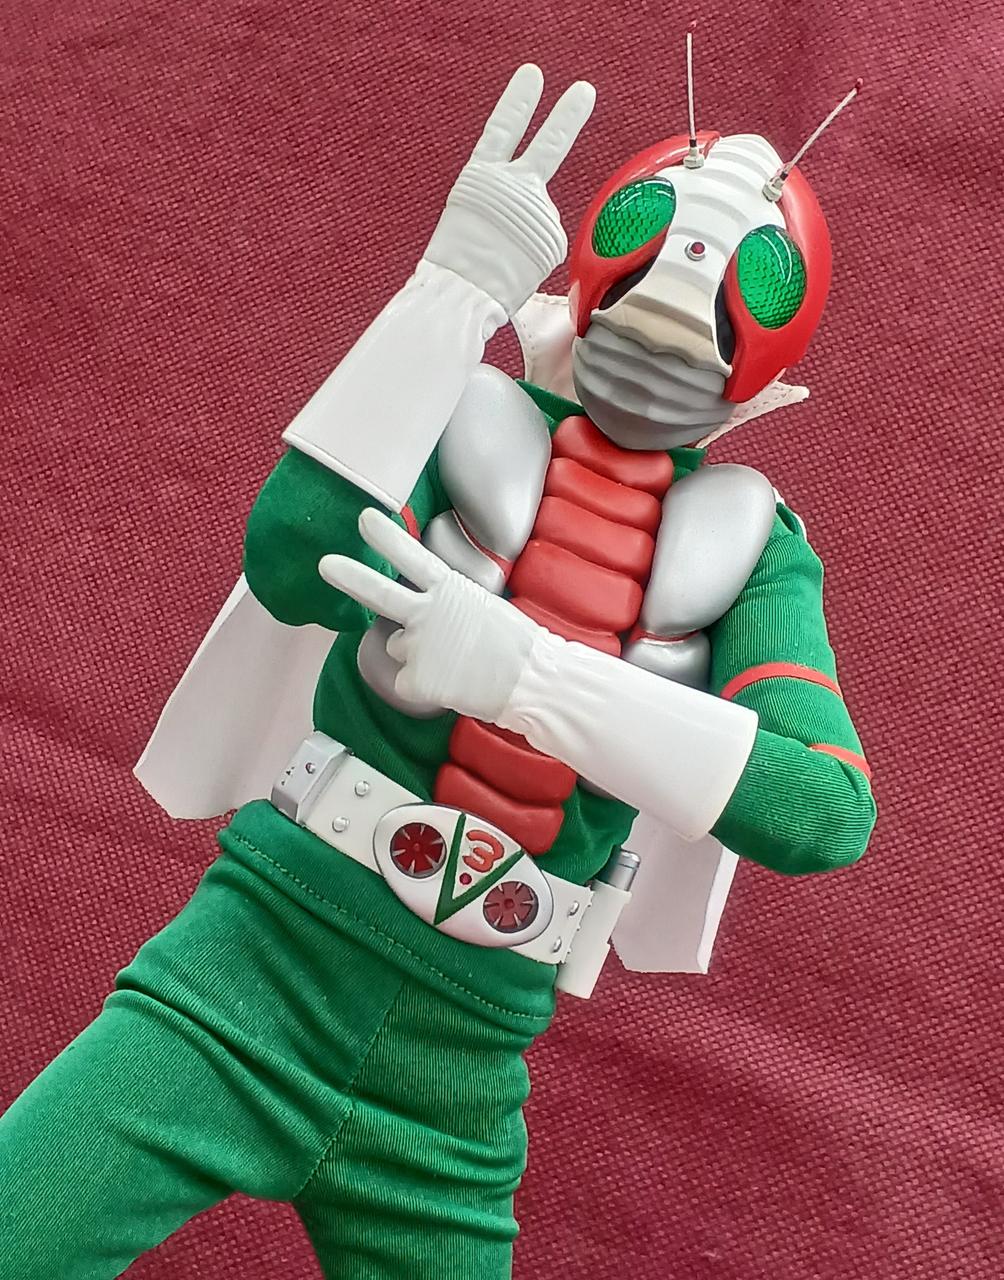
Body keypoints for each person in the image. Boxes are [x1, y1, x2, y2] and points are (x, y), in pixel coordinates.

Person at [0, 61, 875, 1279]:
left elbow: (822, 808)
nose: (678, 292)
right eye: (653, 236)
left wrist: (532, 678)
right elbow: (298, 559)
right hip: (250, 969)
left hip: (457, 1078)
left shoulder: (747, 544)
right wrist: (445, 299)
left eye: (743, 277)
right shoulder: (466, 415)